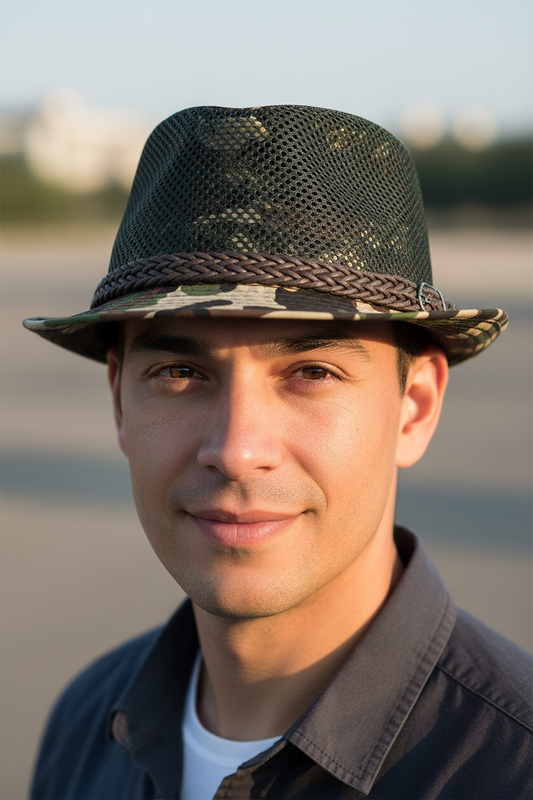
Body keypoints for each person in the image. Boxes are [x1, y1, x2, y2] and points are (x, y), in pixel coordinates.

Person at [24, 105, 531, 799]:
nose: (235, 450)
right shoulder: (86, 722)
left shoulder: (510, 766)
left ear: (413, 408)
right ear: (119, 403)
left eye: (312, 373)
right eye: (179, 374)